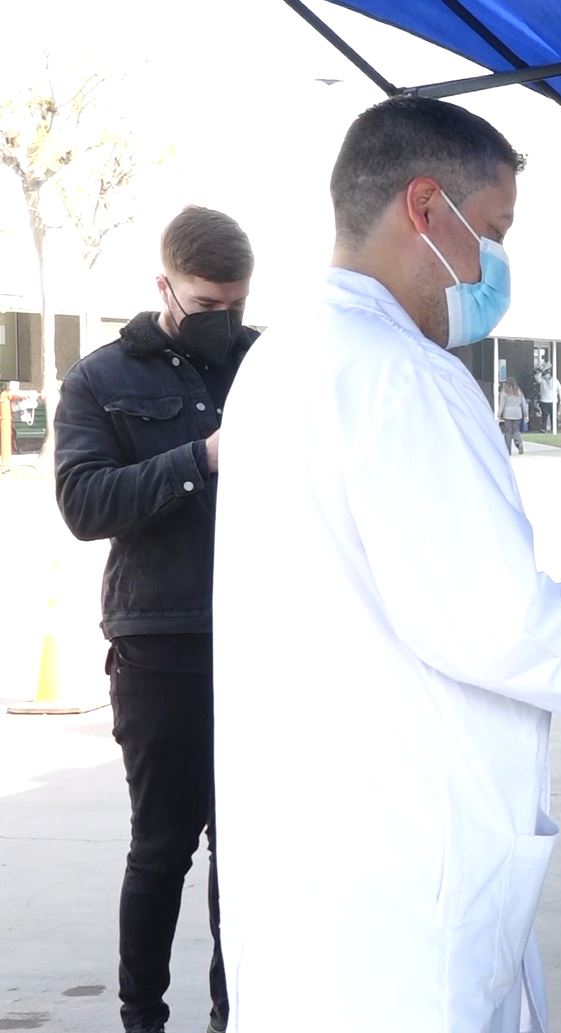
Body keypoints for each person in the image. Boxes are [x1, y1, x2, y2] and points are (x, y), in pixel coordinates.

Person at [209, 96, 561, 1033]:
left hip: (313, 856)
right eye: (491, 231)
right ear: (426, 208)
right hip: (400, 885)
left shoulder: (282, 358)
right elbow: (501, 622)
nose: (493, 263)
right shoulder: (402, 374)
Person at [54, 205, 254, 1033]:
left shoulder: (267, 363)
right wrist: (199, 458)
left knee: (242, 857)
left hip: (259, 642)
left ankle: (233, 1012)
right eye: (208, 306)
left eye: (236, 305)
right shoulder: (100, 379)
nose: (225, 321)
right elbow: (84, 501)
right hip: (160, 643)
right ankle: (143, 1018)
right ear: (164, 284)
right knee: (163, 848)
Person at [497, 378, 526, 454]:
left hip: (508, 414)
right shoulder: (519, 392)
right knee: (516, 430)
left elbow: (501, 405)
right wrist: (526, 414)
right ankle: (519, 443)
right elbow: (524, 404)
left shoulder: (504, 392)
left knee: (508, 432)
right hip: (517, 413)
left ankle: (508, 450)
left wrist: (499, 414)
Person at [534, 361, 558, 432]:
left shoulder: (555, 381)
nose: (546, 376)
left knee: (553, 416)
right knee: (544, 416)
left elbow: (560, 390)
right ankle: (543, 428)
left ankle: (554, 428)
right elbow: (537, 378)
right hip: (544, 401)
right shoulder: (542, 381)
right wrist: (541, 371)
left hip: (553, 401)